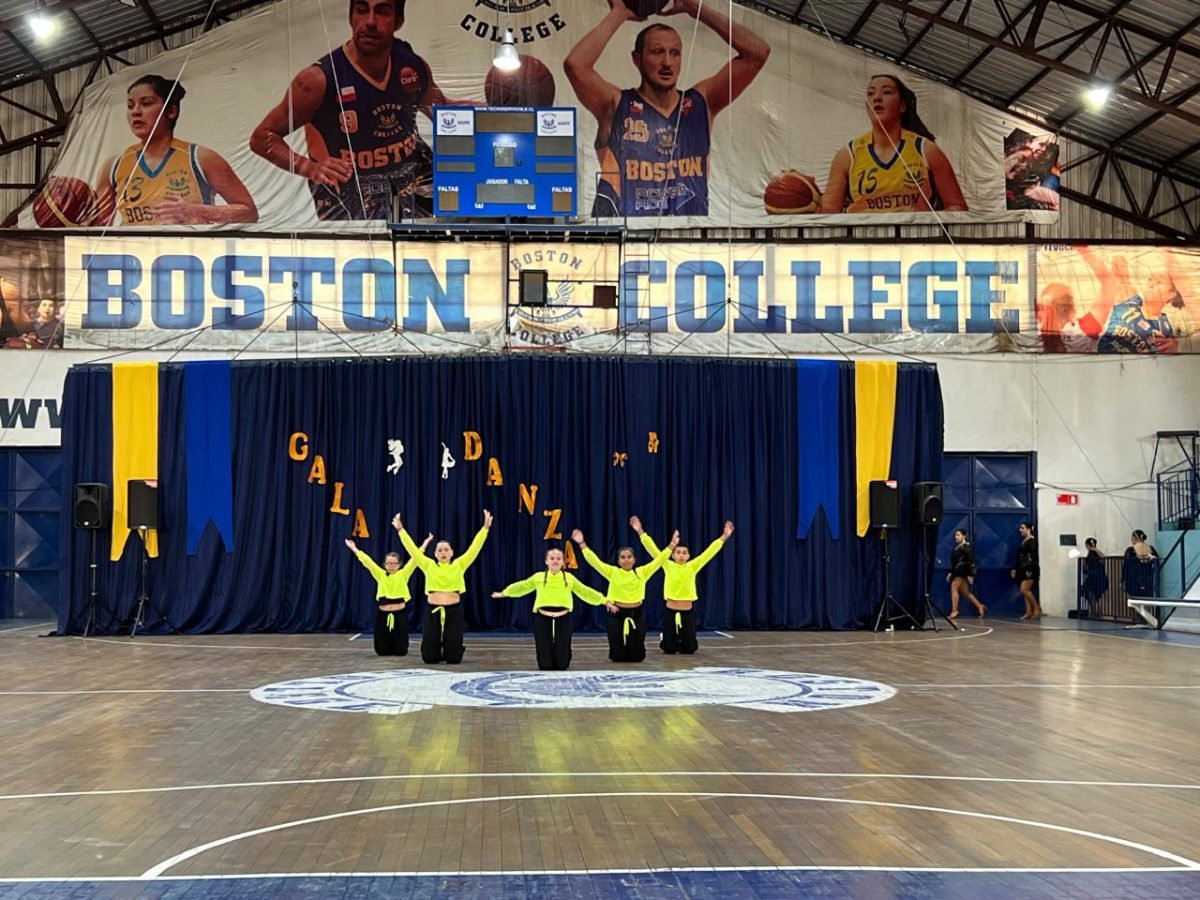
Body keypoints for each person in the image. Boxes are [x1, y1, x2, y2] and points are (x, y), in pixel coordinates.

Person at [564, 0, 769, 217]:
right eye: (657, 52)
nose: (667, 62)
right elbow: (575, 66)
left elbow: (758, 53)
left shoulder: (701, 102)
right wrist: (619, 13)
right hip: (621, 238)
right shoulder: (616, 105)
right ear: (637, 59)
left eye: (675, 53)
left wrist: (696, 9)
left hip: (683, 240)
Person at [250, 0, 451, 220]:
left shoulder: (412, 65)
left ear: (399, 21)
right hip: (351, 188)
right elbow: (262, 137)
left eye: (382, 12)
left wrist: (483, 115)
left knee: (451, 234)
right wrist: (308, 167)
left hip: (412, 175)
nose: (370, 22)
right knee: (368, 250)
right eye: (362, 10)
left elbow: (442, 111)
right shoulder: (317, 80)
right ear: (350, 18)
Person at [95, 75, 258, 225]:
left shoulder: (201, 158)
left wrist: (197, 211)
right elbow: (96, 227)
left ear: (172, 111)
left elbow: (249, 212)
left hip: (187, 254)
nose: (135, 111)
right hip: (132, 254)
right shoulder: (113, 166)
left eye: (146, 103)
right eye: (130, 106)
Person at [819, 74, 967, 214]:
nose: (877, 98)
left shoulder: (926, 149)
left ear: (902, 106)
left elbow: (957, 207)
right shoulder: (847, 155)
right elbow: (829, 213)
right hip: (864, 238)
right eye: (870, 94)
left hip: (913, 238)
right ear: (866, 107)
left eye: (886, 92)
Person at [572, 520, 676, 663]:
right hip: (616, 613)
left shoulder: (642, 572)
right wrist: (582, 544)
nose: (626, 560)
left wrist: (672, 545)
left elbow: (659, 560)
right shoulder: (613, 572)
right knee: (618, 657)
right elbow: (594, 562)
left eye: (629, 557)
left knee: (637, 657)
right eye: (623, 557)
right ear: (618, 561)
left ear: (634, 559)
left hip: (636, 612)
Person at [397, 509, 492, 664]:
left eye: (446, 549)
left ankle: (452, 647)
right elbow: (413, 550)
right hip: (432, 611)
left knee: (454, 658)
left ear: (452, 552)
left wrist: (485, 529)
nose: (443, 552)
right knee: (429, 658)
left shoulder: (459, 565)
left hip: (453, 612)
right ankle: (433, 647)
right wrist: (401, 530)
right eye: (440, 550)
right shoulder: (428, 565)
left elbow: (474, 548)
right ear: (434, 554)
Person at [492, 547, 606, 671]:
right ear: (546, 561)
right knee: (545, 664)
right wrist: (505, 593)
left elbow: (585, 591)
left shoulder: (569, 578)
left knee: (562, 664)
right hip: (542, 618)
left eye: (558, 559)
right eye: (552, 558)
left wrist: (603, 600)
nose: (555, 561)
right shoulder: (538, 577)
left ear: (563, 562)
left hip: (564, 618)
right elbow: (522, 586)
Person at [636, 516, 734, 654]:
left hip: (687, 612)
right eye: (678, 552)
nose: (681, 555)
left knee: (690, 649)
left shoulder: (692, 566)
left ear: (688, 556)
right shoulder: (667, 564)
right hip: (670, 611)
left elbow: (709, 552)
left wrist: (724, 537)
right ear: (673, 555)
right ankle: (667, 638)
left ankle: (683, 638)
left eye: (684, 553)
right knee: (669, 649)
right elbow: (653, 550)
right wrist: (640, 531)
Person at [344, 534, 428, 656]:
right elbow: (367, 561)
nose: (391, 566)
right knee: (381, 651)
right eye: (389, 563)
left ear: (399, 565)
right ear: (384, 564)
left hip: (400, 615)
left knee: (400, 651)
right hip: (383, 615)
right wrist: (354, 548)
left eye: (394, 563)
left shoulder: (403, 574)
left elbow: (415, 559)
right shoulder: (380, 574)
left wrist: (425, 544)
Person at [946, 529, 985, 619]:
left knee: (954, 589)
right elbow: (954, 562)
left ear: (964, 536)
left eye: (958, 535)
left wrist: (971, 574)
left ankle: (954, 611)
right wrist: (951, 573)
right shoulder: (958, 547)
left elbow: (971, 561)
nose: (956, 537)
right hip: (957, 571)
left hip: (961, 572)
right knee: (966, 592)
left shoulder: (966, 547)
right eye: (955, 535)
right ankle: (980, 606)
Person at [1010, 521, 1041, 620]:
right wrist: (1015, 568)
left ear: (1028, 529)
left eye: (1022, 528)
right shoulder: (1024, 541)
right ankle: (1028, 611)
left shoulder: (1032, 541)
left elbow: (1033, 556)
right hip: (1022, 569)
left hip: (1030, 569)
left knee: (1024, 589)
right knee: (1025, 591)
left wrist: (1030, 569)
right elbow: (1019, 556)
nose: (1020, 530)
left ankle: (1036, 608)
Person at [1122, 529, 1159, 598]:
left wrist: (1122, 579)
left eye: (1132, 538)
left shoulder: (1130, 550)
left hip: (1133, 579)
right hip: (1148, 577)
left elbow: (1126, 565)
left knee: (1135, 599)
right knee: (1147, 599)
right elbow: (1156, 559)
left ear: (1134, 538)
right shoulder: (1150, 548)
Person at [1081, 537, 1109, 615]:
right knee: (1097, 596)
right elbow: (1103, 558)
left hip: (1093, 577)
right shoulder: (1097, 553)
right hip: (1101, 577)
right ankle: (1097, 612)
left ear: (1087, 545)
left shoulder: (1090, 553)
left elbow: (1087, 567)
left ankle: (1094, 612)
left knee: (1087, 592)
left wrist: (1085, 569)